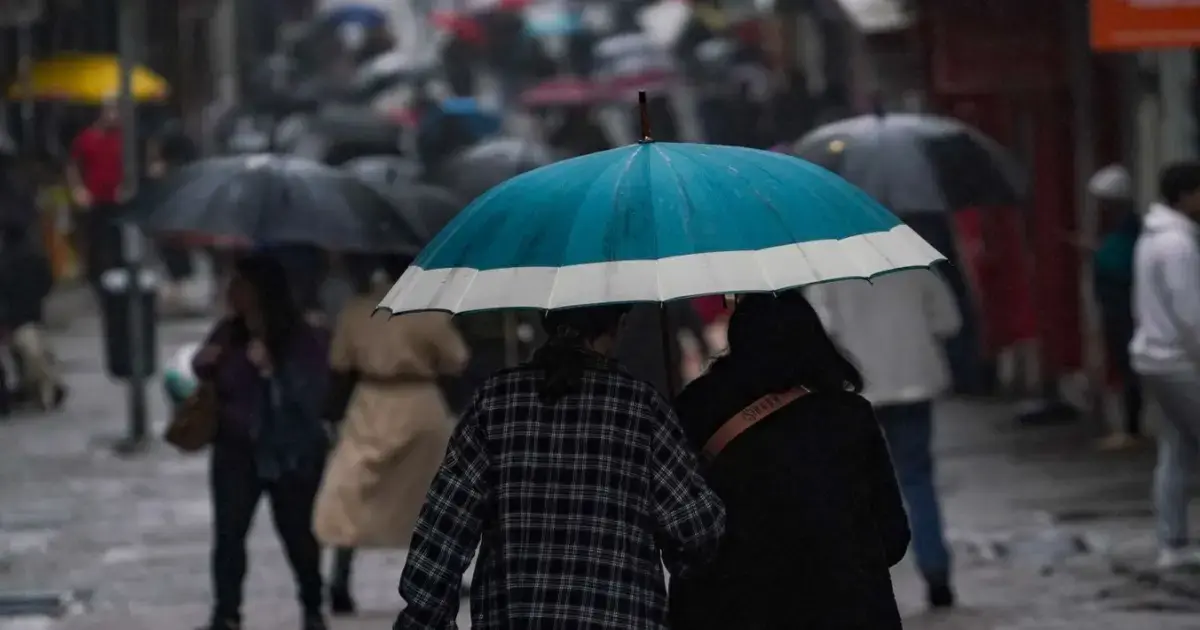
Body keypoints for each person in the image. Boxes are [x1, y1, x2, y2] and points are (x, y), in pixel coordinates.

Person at [393, 304, 726, 629]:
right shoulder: (641, 408)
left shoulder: (495, 402)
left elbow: (443, 532)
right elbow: (697, 532)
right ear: (618, 325)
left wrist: (426, 617)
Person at [670, 291, 908, 629]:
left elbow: (681, 534)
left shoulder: (695, 409)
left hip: (733, 611)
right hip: (849, 611)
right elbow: (893, 537)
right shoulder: (848, 416)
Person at [312, 254, 469, 615]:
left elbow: (339, 364)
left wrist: (328, 414)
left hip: (370, 403)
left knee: (352, 490)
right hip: (419, 404)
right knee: (430, 493)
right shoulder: (430, 311)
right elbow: (456, 359)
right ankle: (441, 574)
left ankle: (340, 576)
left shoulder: (357, 310)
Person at [807, 268, 962, 609]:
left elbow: (820, 329)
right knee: (918, 480)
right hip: (915, 382)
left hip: (859, 392)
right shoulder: (915, 267)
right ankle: (936, 573)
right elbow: (948, 322)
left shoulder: (826, 273)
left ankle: (862, 582)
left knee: (856, 487)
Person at [192, 254, 331, 630]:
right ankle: (227, 613)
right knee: (229, 534)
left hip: (290, 452)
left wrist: (272, 369)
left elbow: (314, 394)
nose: (231, 293)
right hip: (236, 449)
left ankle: (312, 605)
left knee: (298, 534)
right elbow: (207, 374)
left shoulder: (303, 336)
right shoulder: (228, 332)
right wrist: (206, 362)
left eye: (241, 286)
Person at [1130, 161, 1200, 570]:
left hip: (1154, 357)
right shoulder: (1177, 245)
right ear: (1186, 195)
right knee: (1180, 448)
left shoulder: (1154, 237)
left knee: (1178, 449)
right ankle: (1172, 541)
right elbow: (1190, 313)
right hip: (1176, 361)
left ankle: (1172, 542)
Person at [1078, 164, 1144, 449]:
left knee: (1129, 365)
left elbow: (1122, 263)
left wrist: (1097, 252)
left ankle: (1132, 427)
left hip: (1123, 305)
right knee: (1121, 363)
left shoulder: (1129, 227)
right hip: (1114, 303)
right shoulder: (1120, 227)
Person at [0, 223, 65, 412]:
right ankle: (45, 391)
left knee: (28, 355)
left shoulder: (6, 260)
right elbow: (47, 281)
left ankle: (41, 392)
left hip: (15, 316)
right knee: (36, 354)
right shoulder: (36, 255)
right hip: (32, 314)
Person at [66, 99, 125, 289]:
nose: (114, 115)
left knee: (118, 241)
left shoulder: (123, 138)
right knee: (95, 241)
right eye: (110, 110)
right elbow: (73, 166)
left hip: (118, 198)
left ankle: (117, 280)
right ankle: (96, 279)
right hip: (94, 198)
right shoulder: (86, 138)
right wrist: (77, 189)